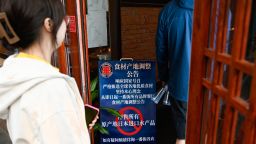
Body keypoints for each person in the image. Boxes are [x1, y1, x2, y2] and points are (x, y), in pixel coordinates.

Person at [0, 0, 95, 143]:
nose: (67, 23)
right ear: (49, 24)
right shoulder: (52, 88)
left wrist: (75, 124)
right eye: (64, 18)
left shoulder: (16, 78)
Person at [156, 0, 194, 144]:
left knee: (182, 136)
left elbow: (161, 50)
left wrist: (164, 76)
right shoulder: (217, 10)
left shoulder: (168, 10)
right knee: (204, 129)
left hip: (179, 83)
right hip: (209, 85)